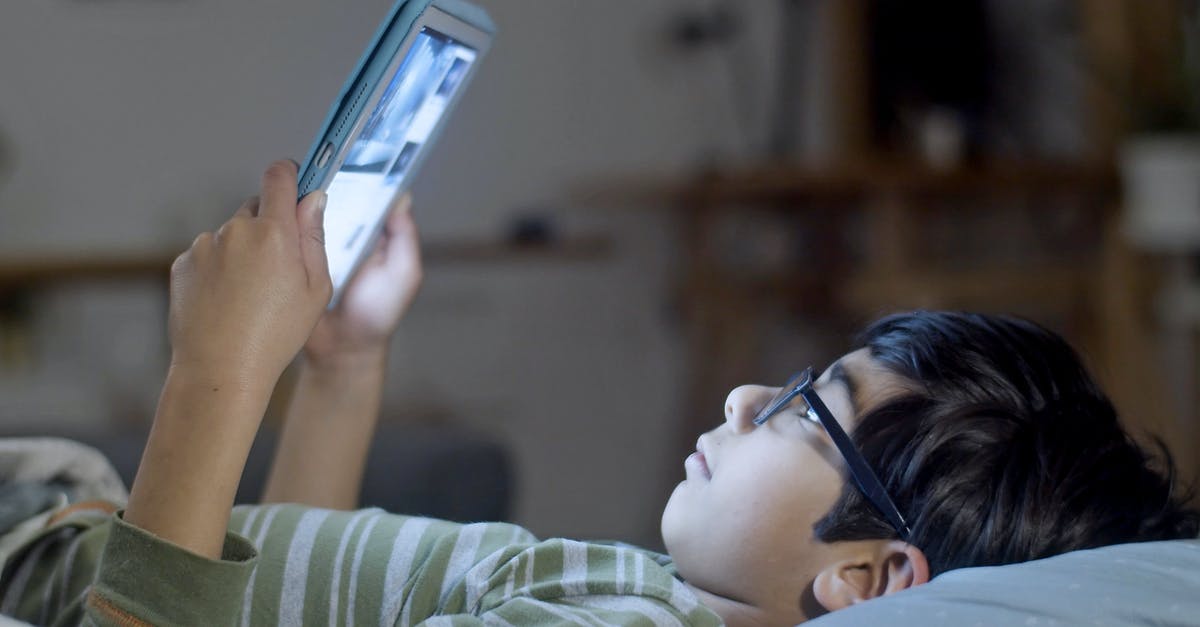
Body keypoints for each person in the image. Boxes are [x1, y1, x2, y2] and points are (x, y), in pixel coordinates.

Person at [1, 161, 1197, 626]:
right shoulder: (644, 598)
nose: (740, 395)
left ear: (869, 579)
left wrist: (213, 375)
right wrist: (343, 365)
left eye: (805, 407)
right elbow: (291, 588)